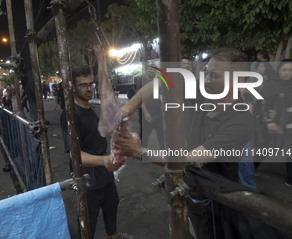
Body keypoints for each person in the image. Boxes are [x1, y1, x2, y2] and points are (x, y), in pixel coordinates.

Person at [115, 49, 262, 239]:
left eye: (214, 75)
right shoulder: (204, 92)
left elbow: (191, 159)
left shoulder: (242, 122)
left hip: (216, 201)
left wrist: (139, 151)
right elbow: (163, 82)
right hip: (189, 191)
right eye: (206, 73)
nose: (207, 80)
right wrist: (129, 107)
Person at [60, 66, 133, 239]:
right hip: (87, 175)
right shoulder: (71, 114)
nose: (89, 89)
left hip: (103, 171)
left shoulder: (88, 107)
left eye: (90, 84)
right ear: (72, 87)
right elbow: (75, 155)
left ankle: (112, 236)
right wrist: (106, 160)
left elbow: (94, 132)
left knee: (111, 204)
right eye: (83, 85)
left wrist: (113, 130)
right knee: (88, 219)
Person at [257, 59, 292, 187]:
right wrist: (268, 120)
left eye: (290, 70)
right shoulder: (271, 85)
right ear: (278, 70)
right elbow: (262, 104)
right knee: (266, 149)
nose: (287, 73)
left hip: (289, 127)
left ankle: (290, 179)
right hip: (274, 126)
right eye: (284, 70)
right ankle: (251, 168)